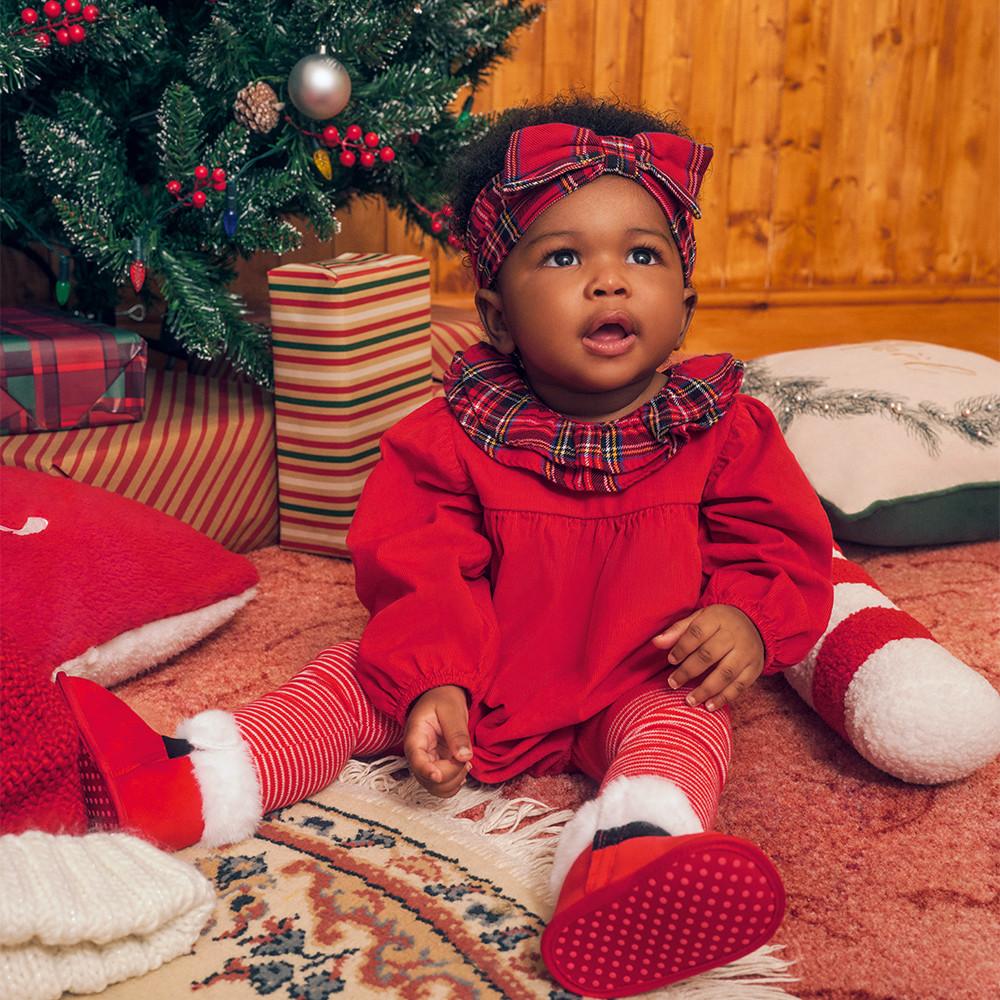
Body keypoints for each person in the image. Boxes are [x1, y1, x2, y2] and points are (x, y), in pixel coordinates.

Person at [58, 94, 833, 997]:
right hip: (475, 661)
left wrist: (744, 616)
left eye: (643, 254)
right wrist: (435, 675)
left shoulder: (726, 431)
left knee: (687, 721)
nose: (611, 280)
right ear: (499, 319)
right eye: (566, 256)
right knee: (350, 677)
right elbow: (418, 561)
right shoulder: (454, 432)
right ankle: (196, 780)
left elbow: (778, 545)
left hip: (635, 668)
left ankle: (631, 853)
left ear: (685, 304)